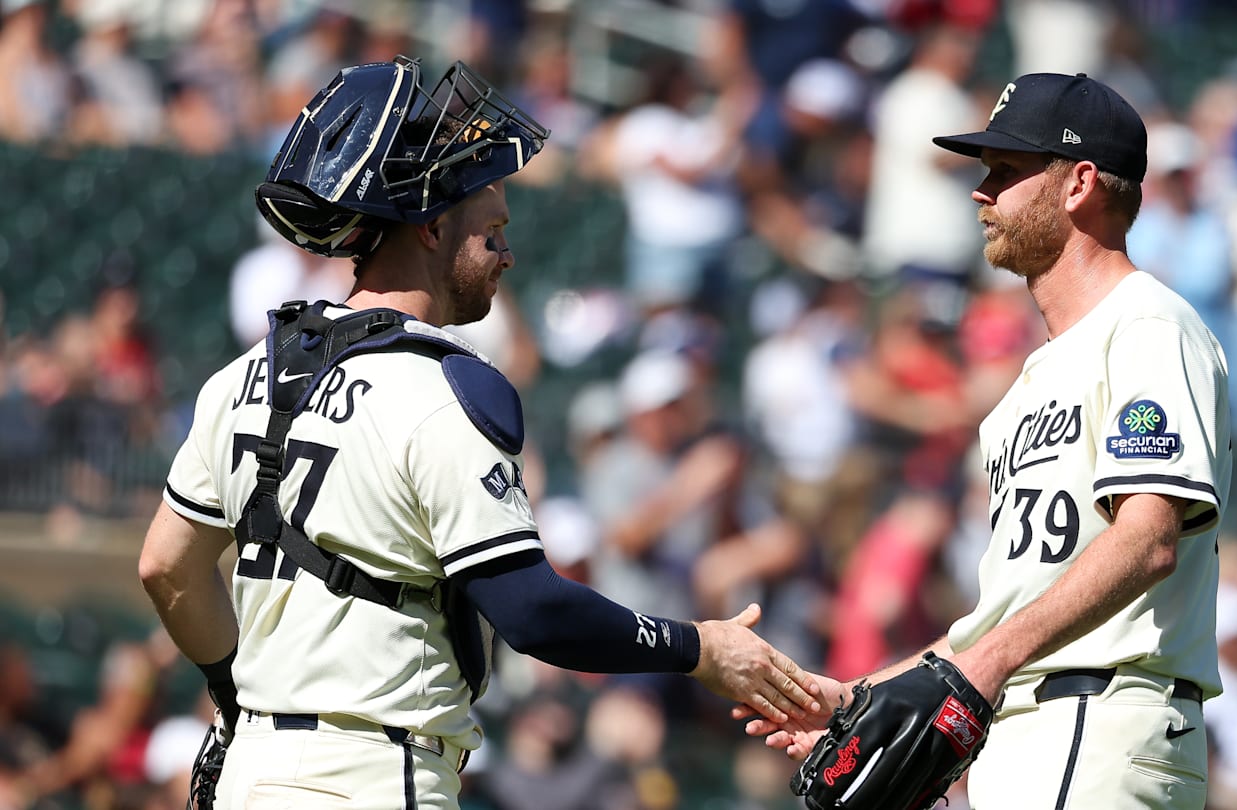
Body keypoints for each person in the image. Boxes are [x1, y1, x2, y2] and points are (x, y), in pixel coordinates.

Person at [136, 56, 820, 810]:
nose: (507, 254)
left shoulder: (240, 377)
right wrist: (701, 647)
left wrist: (234, 700)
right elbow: (533, 613)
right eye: (491, 231)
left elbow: (167, 568)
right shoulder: (442, 389)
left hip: (249, 775)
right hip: (374, 777)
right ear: (430, 227)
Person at [749, 73, 1232, 810]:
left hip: (1102, 716)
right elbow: (1009, 611)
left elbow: (1148, 539)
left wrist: (987, 666)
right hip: (1027, 727)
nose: (981, 192)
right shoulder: (1023, 388)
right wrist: (856, 696)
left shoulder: (1148, 326)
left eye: (1006, 173)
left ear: (1078, 184)